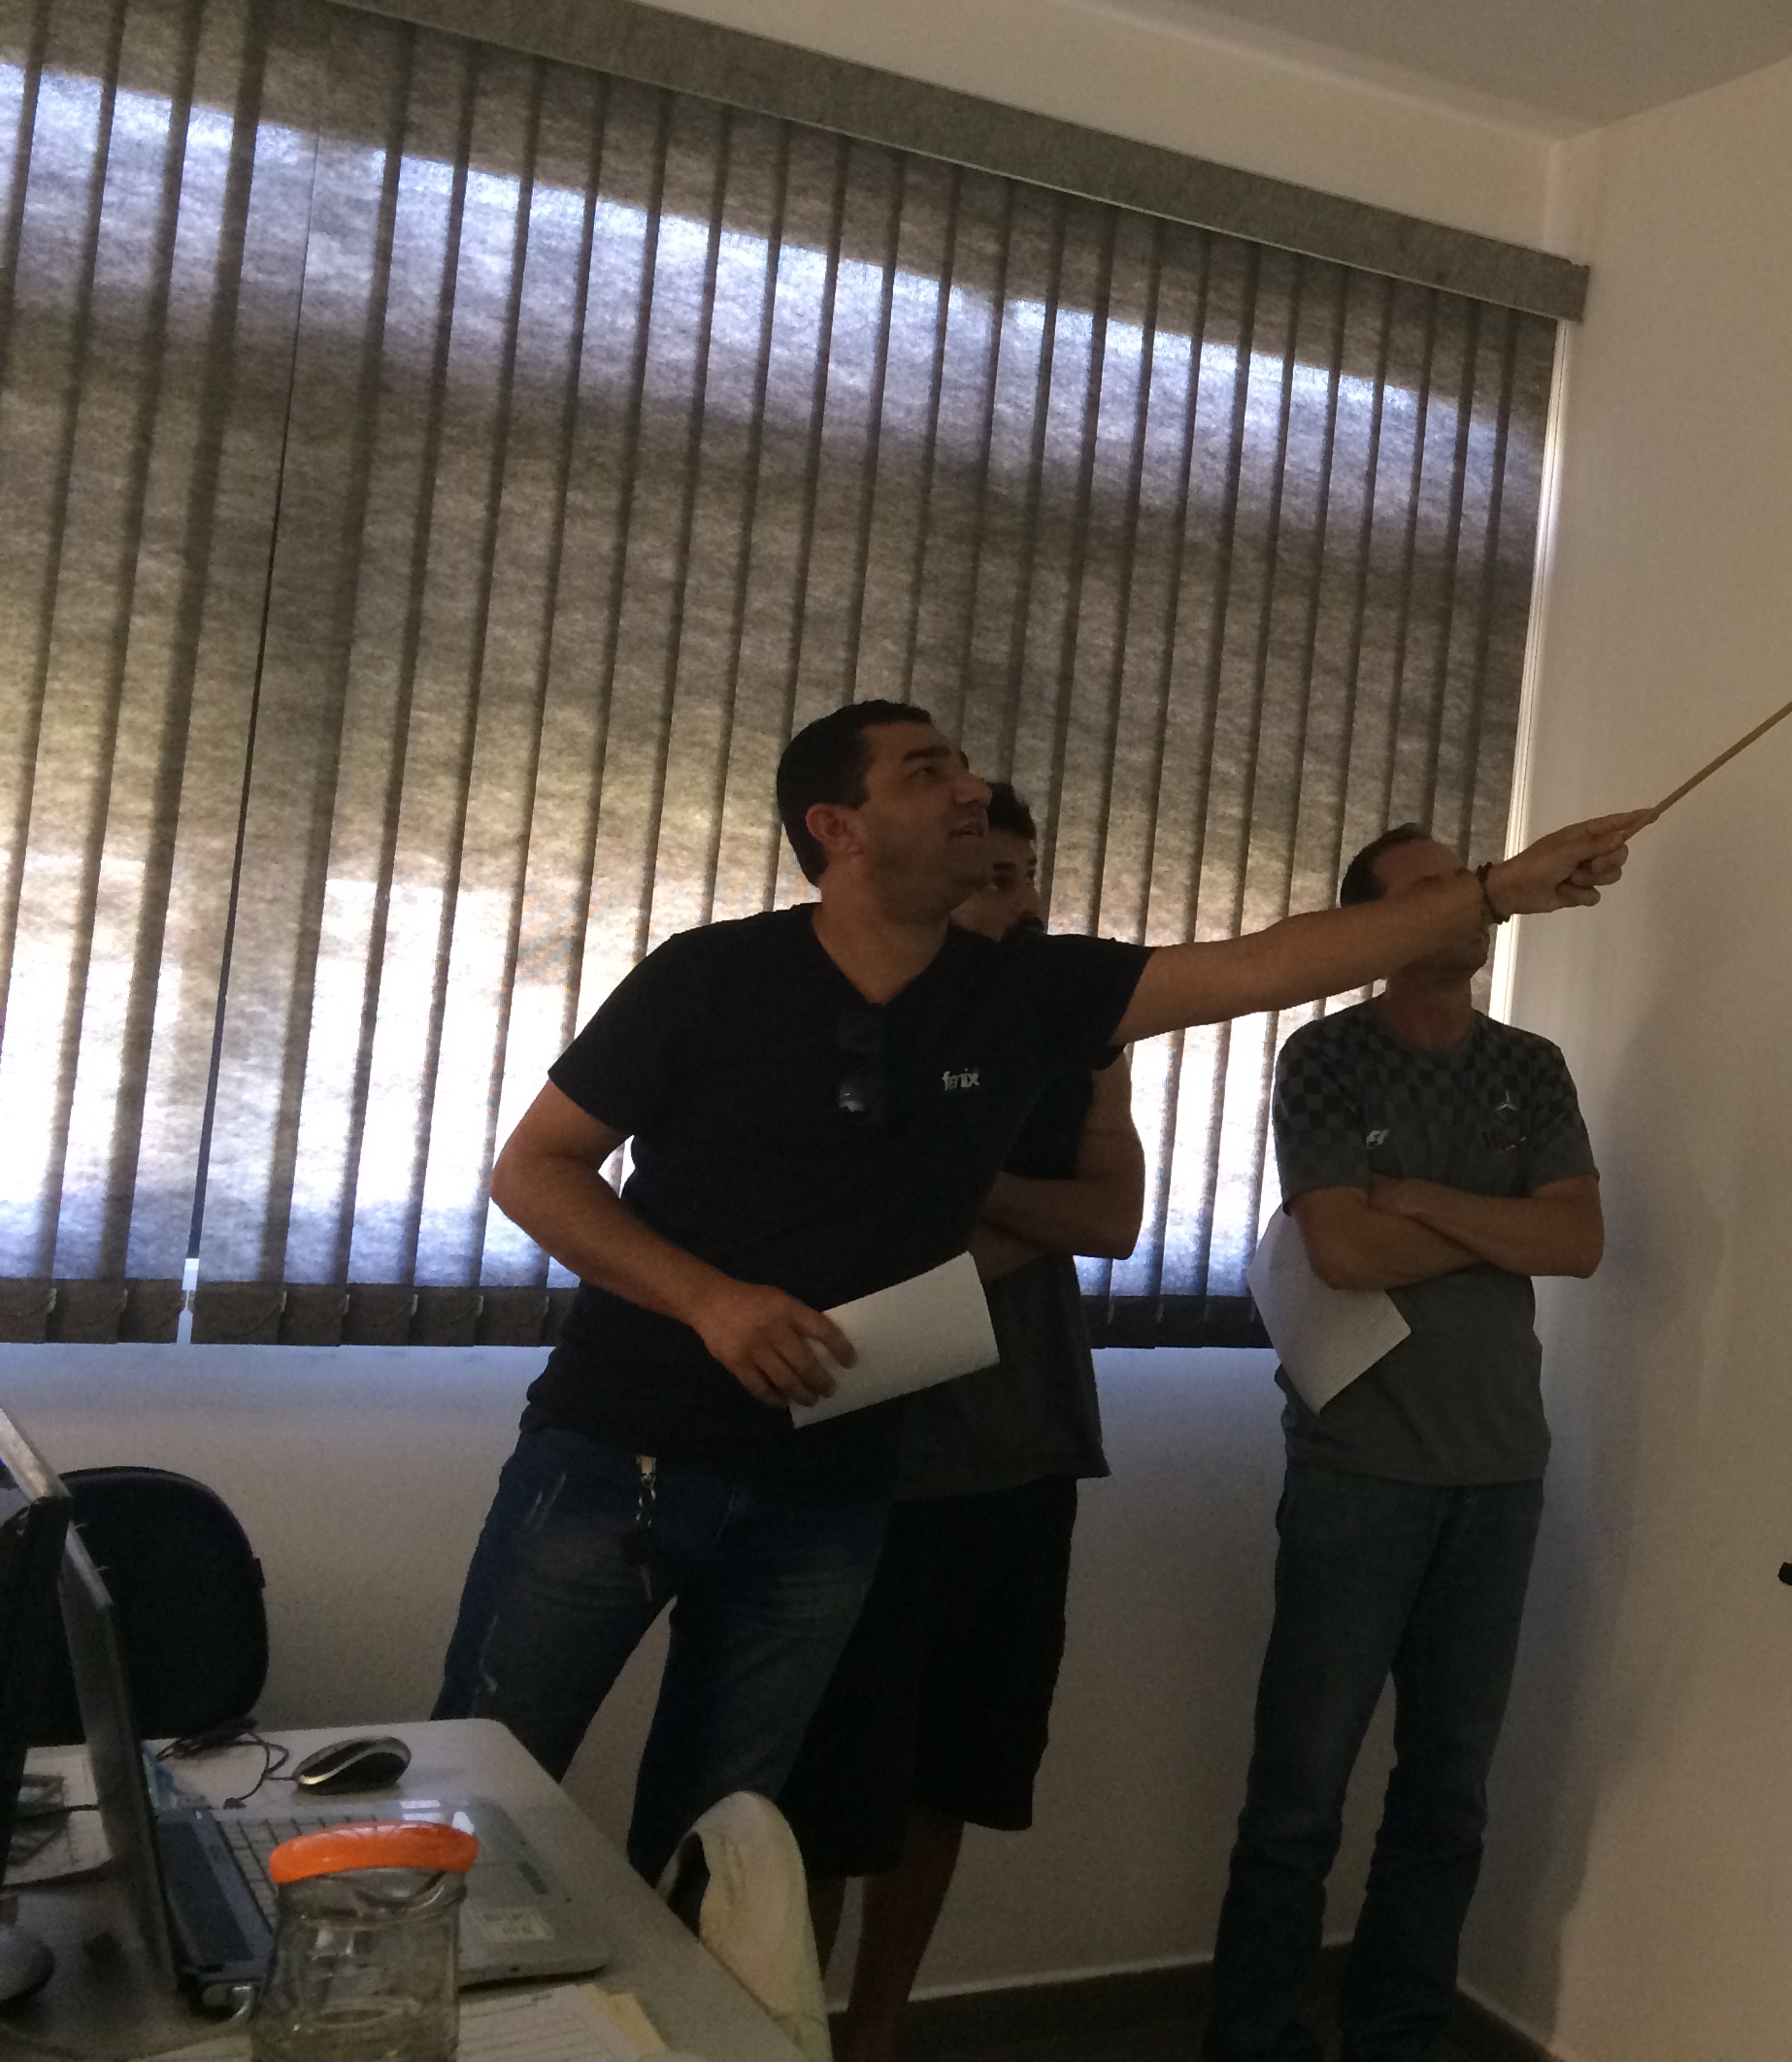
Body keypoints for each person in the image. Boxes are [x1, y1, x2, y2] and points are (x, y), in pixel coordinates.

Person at [436, 700, 1640, 1879]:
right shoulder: (710, 976)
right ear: (836, 828)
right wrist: (710, 1301)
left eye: (963, 765)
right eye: (925, 771)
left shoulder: (1019, 993)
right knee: (476, 1801)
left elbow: (1264, 964)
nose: (969, 787)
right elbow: (536, 1171)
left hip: (829, 1493)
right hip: (617, 1459)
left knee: (724, 1850)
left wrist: (1494, 891)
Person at [1203, 823, 1605, 2062]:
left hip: (1501, 1473)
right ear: (1378, 923)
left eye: (1463, 881)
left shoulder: (1530, 1066)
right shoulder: (1327, 1059)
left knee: (1447, 1797)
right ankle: (1254, 2041)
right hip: (1360, 1476)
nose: (1464, 901)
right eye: (1430, 889)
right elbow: (1342, 1251)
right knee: (1298, 1799)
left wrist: (1421, 1200)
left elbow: (1577, 1241)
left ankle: (1398, 2036)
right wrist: (1498, 1220)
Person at [779, 782, 1144, 2062]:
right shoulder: (849, 1021)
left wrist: (954, 1191)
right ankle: (785, 2036)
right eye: (995, 879)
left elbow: (1112, 1220)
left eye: (1030, 877)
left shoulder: (1075, 1038)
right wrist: (1002, 1215)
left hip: (1024, 1451)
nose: (1023, 903)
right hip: (863, 1460)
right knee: (823, 1795)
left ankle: (877, 2034)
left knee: (953, 1780)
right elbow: (842, 1230)